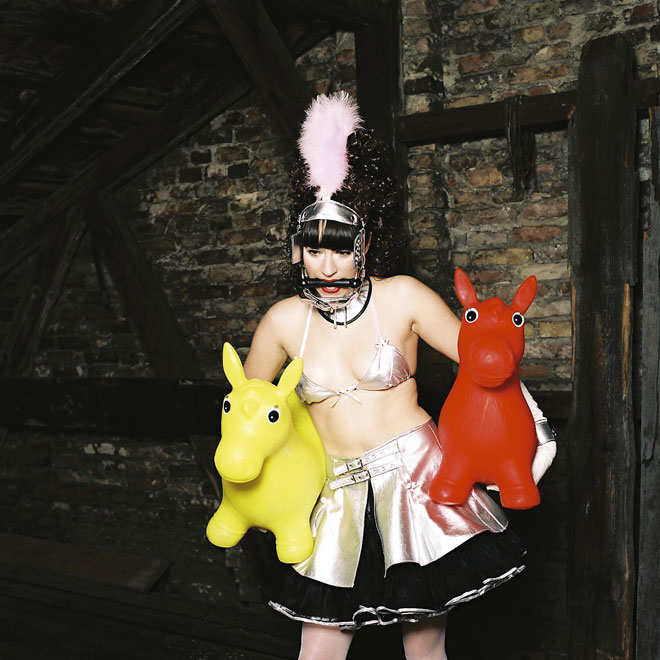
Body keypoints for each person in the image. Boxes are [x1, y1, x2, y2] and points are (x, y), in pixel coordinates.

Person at [242, 92, 556, 660]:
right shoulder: (283, 322)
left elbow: (487, 361)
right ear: (297, 249)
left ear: (366, 243)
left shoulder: (403, 297)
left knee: (424, 646)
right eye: (313, 249)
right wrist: (261, 493)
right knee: (318, 647)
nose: (327, 265)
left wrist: (535, 432)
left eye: (341, 250)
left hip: (418, 483)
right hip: (336, 494)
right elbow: (248, 417)